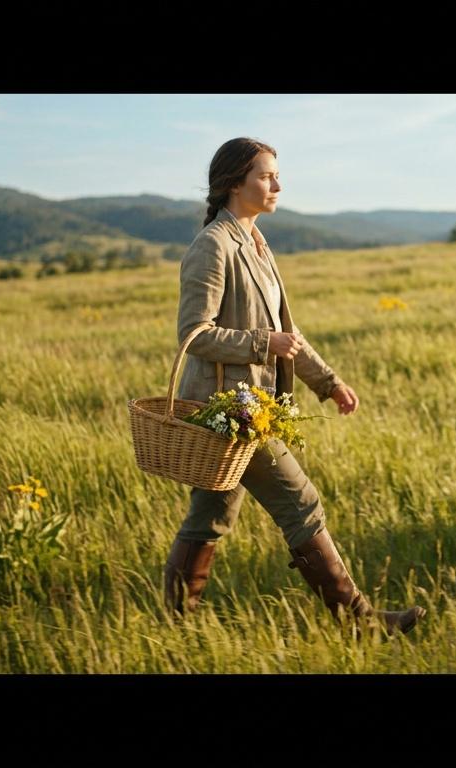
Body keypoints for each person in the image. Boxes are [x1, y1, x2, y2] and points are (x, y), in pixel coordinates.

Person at [163, 136, 425, 638]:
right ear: (234, 183)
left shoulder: (256, 242)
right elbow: (195, 336)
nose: (277, 184)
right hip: (233, 413)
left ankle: (175, 627)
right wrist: (264, 342)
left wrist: (328, 382)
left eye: (276, 175)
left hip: (249, 408)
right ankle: (362, 625)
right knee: (300, 502)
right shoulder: (213, 245)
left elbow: (289, 333)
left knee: (210, 517)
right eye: (266, 176)